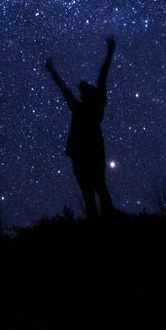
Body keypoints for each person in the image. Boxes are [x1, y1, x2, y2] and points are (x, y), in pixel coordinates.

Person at [45, 37, 116, 219]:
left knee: (93, 190)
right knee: (95, 190)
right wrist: (110, 52)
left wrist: (110, 53)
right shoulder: (90, 106)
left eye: (84, 92)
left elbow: (100, 77)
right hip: (85, 151)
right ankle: (107, 221)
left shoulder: (87, 106)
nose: (82, 93)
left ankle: (104, 222)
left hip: (85, 151)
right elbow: (67, 87)